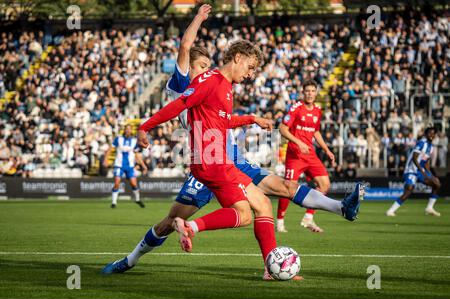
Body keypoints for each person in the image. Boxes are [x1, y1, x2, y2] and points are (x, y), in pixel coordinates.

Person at [102, 39, 364, 280]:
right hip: (209, 161)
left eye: (208, 64)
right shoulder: (191, 82)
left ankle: (279, 259)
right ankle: (131, 258)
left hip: (227, 158)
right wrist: (144, 127)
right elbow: (183, 72)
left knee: (270, 197)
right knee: (172, 223)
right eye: (249, 68)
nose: (250, 75)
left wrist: (251, 119)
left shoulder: (224, 87)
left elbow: (223, 120)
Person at [276, 80, 335, 233]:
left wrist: (326, 149)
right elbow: (282, 128)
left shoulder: (317, 110)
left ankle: (308, 218)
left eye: (312, 91)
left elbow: (315, 131)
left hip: (310, 154)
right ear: (303, 92)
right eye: (307, 91)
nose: (309, 94)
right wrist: (298, 142)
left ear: (316, 93)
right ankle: (280, 221)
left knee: (325, 185)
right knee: (288, 189)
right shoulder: (296, 108)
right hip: (295, 154)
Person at [386, 127, 441, 217]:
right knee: (409, 190)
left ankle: (429, 208)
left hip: (420, 171)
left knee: (437, 183)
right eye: (430, 133)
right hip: (411, 170)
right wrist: (422, 171)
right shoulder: (421, 143)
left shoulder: (431, 147)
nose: (432, 135)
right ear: (426, 134)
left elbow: (426, 161)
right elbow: (414, 158)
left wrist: (430, 174)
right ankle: (390, 211)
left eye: (433, 133)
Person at [103, 124, 147, 209]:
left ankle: (137, 200)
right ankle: (114, 203)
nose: (128, 130)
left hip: (130, 166)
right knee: (116, 183)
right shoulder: (118, 139)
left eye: (129, 129)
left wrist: (143, 165)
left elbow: (136, 154)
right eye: (126, 129)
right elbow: (110, 149)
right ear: (124, 130)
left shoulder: (134, 141)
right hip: (119, 165)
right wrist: (106, 159)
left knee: (134, 184)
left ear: (131, 131)